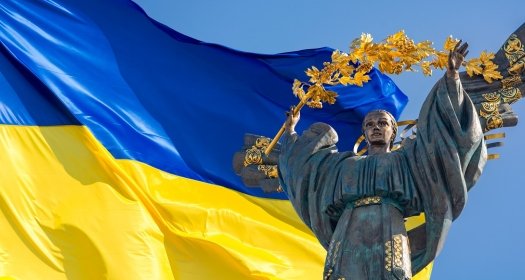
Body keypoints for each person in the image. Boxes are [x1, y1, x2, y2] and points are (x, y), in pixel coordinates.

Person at [278, 42, 487, 279]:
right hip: (349, 229)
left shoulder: (408, 159)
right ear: (364, 133)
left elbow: (441, 140)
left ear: (393, 131)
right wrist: (291, 133)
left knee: (392, 272)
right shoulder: (343, 164)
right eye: (370, 125)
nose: (376, 128)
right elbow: (304, 170)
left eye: (382, 123)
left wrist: (451, 79)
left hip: (390, 224)